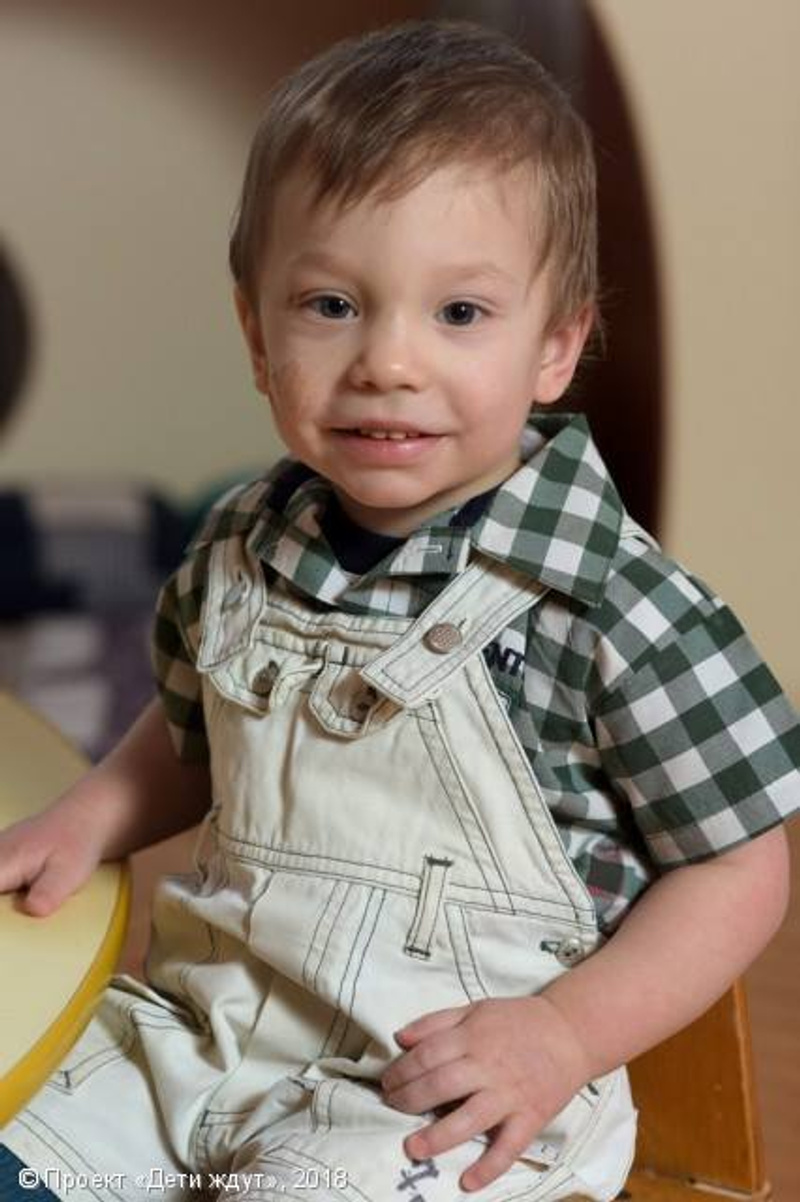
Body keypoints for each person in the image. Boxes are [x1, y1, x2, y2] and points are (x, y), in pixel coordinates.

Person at [0, 19, 797, 1202]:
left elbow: (738, 866)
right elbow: (191, 731)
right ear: (255, 334)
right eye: (331, 303)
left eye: (458, 314)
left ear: (555, 345)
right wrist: (89, 817)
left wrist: (565, 1032)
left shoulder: (613, 606)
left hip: (437, 1090)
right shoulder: (237, 544)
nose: (386, 360)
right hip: (203, 1034)